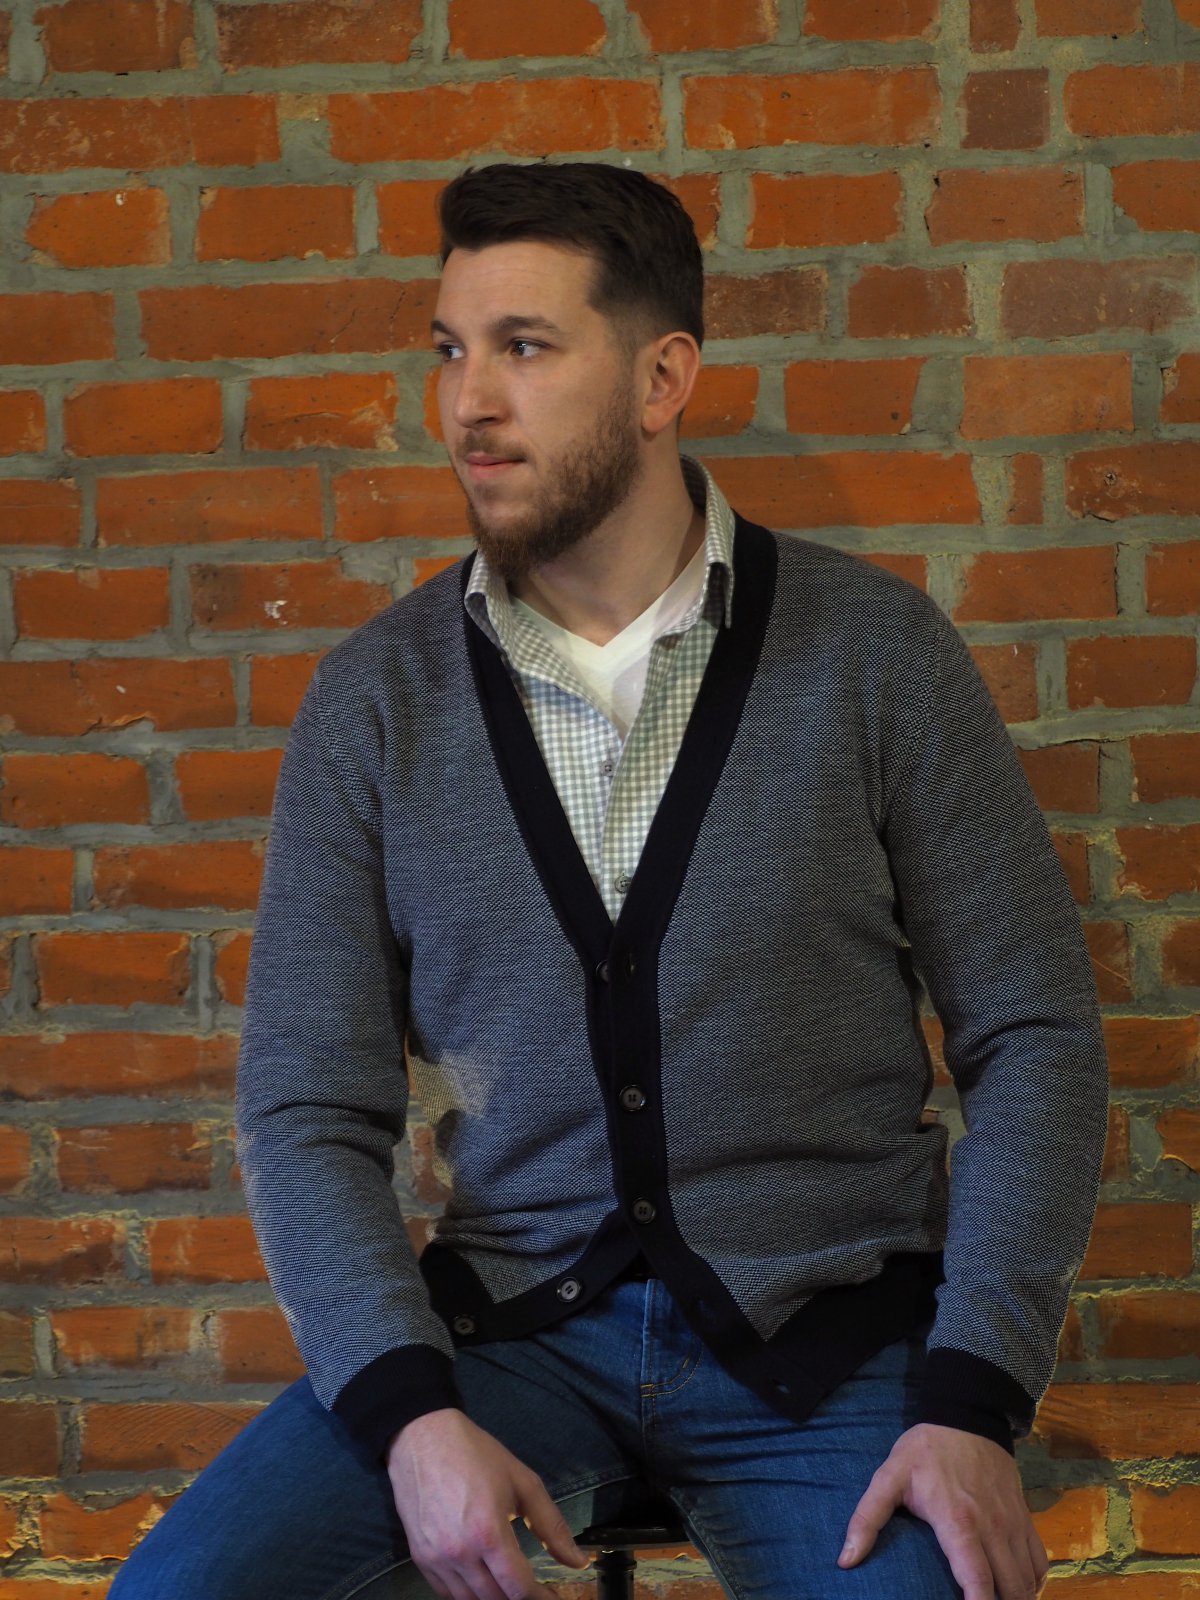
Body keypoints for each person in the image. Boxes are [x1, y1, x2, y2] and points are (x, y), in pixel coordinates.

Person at [110, 161, 1108, 1600]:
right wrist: (408, 1416)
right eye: (450, 351)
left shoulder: (877, 657)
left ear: (661, 378)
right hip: (507, 1340)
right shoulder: (376, 704)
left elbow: (1035, 1036)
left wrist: (973, 1397)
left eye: (524, 347)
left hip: (828, 1344)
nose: (468, 403)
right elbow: (305, 1105)